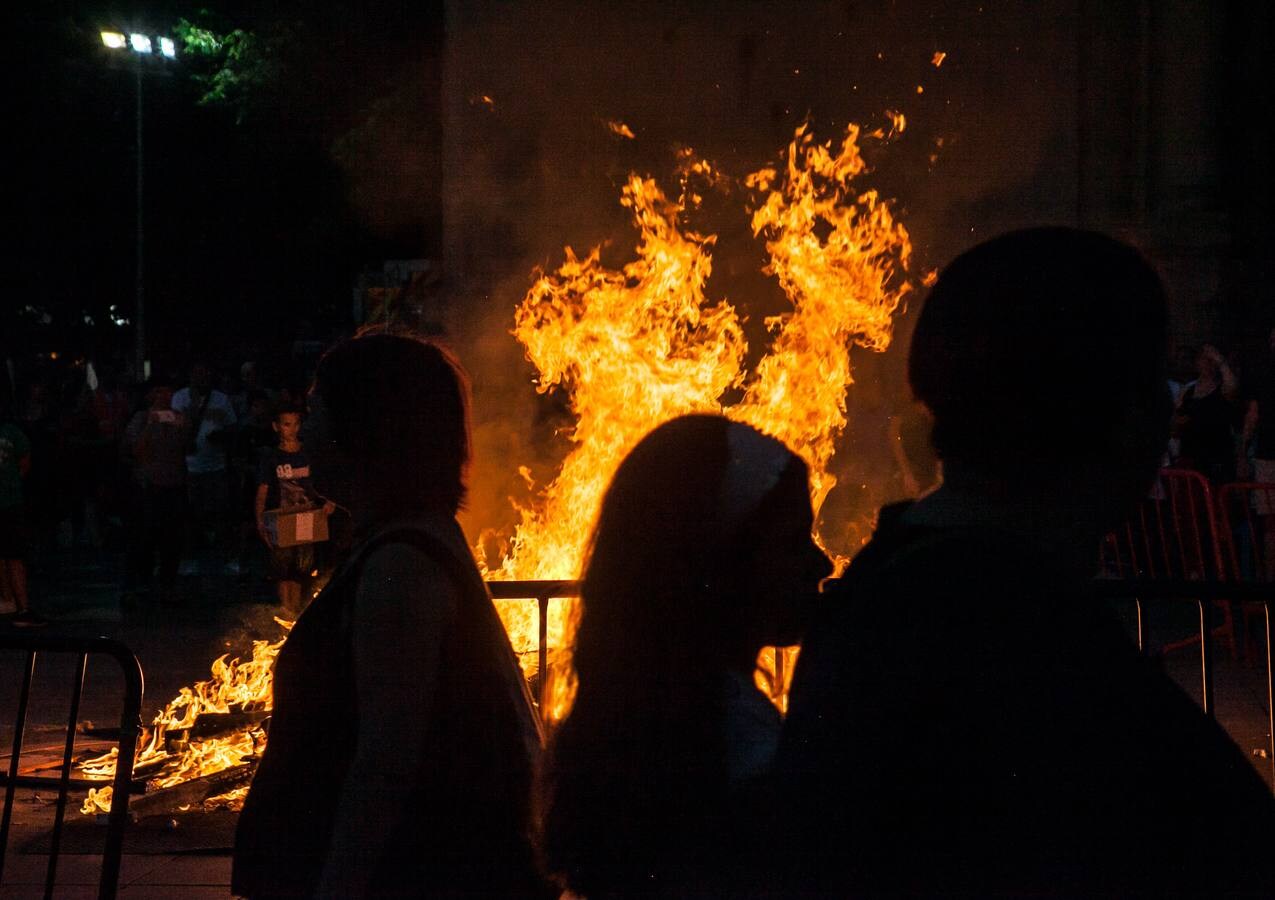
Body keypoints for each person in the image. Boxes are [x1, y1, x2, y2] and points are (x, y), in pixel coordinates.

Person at [778, 228, 1275, 896]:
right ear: (1121, 416)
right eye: (1149, 377)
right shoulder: (1025, 649)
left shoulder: (891, 599)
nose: (1165, 407)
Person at [233, 331, 548, 899]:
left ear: (369, 431)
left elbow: (385, 764)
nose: (307, 432)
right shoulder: (409, 542)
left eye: (320, 412)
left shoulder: (401, 565)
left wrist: (338, 885)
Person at [541, 414, 832, 898]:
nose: (820, 563)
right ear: (726, 558)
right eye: (793, 539)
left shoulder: (646, 727)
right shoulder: (738, 748)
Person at [253, 402, 332, 614]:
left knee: (301, 569)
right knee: (282, 570)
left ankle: (294, 613)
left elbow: (324, 482)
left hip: (307, 518)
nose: (293, 429)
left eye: (296, 424)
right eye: (287, 424)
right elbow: (263, 489)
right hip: (281, 520)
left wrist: (328, 503)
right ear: (276, 426)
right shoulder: (271, 457)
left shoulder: (308, 453)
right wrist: (260, 520)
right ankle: (285, 612)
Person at [121, 377, 187, 602]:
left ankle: (167, 584)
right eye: (160, 392)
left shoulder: (179, 417)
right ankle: (140, 583)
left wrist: (183, 427)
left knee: (173, 539)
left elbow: (188, 448)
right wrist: (150, 424)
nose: (164, 397)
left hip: (174, 485)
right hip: (148, 486)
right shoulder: (141, 418)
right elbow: (136, 451)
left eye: (169, 392)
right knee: (143, 537)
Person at [171, 361, 237, 571]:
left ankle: (227, 556)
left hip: (216, 465)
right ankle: (190, 556)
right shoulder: (180, 398)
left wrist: (221, 437)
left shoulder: (221, 399)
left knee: (221, 512)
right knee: (189, 513)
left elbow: (232, 427)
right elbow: (174, 431)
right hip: (189, 467)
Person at [0, 393, 41, 626]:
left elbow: (24, 461)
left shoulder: (11, 431)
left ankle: (20, 605)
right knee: (9, 554)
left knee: (13, 553)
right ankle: (9, 600)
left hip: (9, 501)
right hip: (10, 500)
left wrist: (12, 481)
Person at [1174, 343, 1241, 484]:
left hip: (1217, 458)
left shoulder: (1222, 389)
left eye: (1210, 360)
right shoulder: (1187, 391)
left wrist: (1220, 359)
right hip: (1191, 457)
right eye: (1203, 359)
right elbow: (1176, 420)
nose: (1207, 364)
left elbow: (1232, 386)